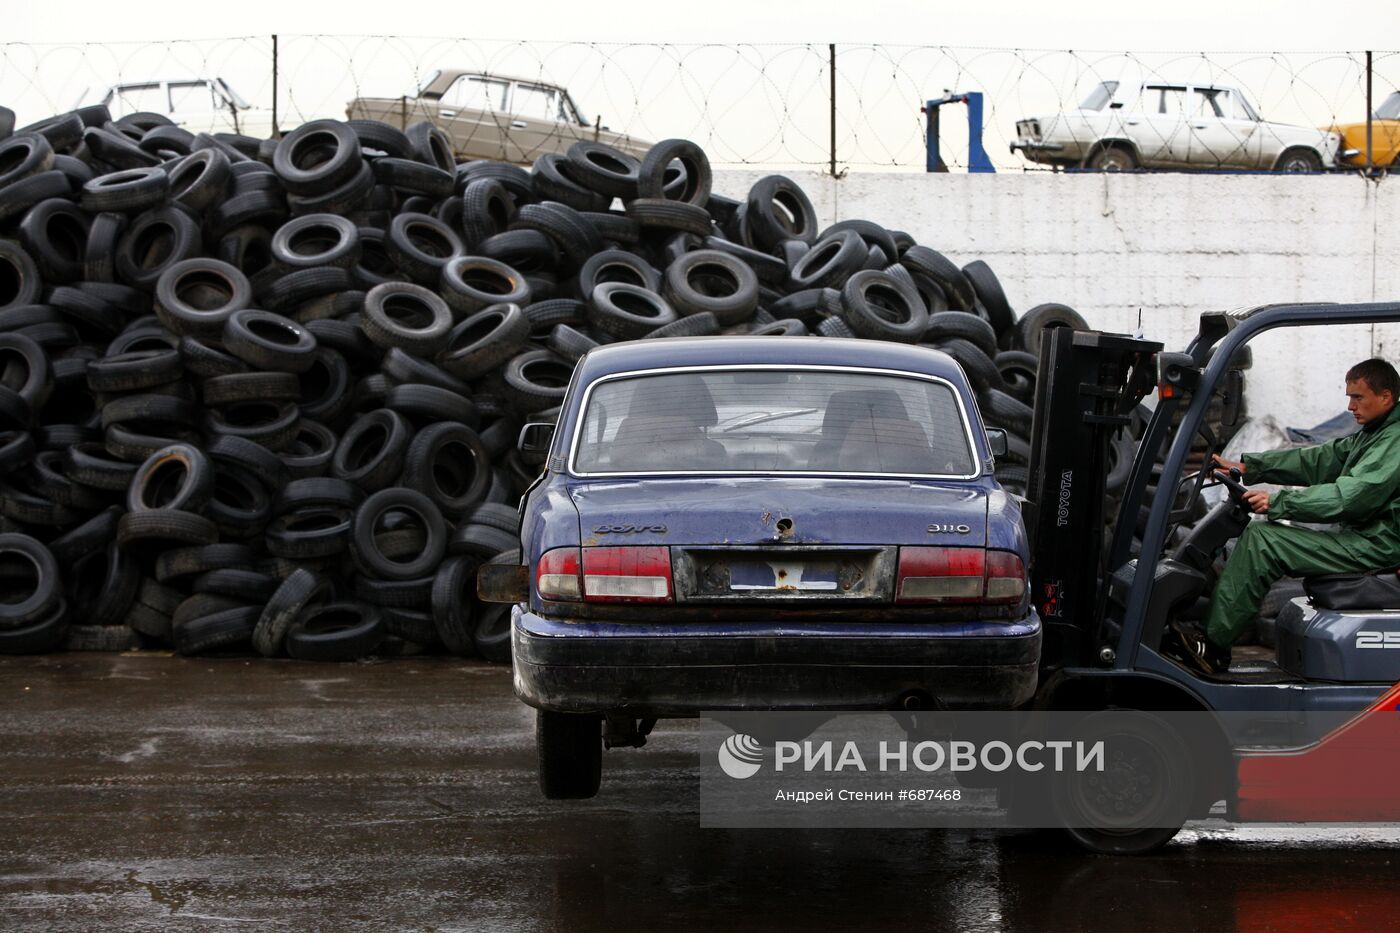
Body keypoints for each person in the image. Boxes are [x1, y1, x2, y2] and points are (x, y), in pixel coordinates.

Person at [1169, 358, 1400, 675]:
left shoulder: (1394, 440)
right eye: (1349, 397)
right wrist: (1250, 467)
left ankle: (1211, 644)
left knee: (1264, 541)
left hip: (1377, 546)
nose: (1350, 406)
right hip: (1364, 538)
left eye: (1357, 397)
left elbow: (1351, 497)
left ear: (1386, 397)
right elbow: (1318, 460)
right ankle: (1210, 635)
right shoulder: (1373, 434)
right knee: (1262, 535)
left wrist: (1279, 502)